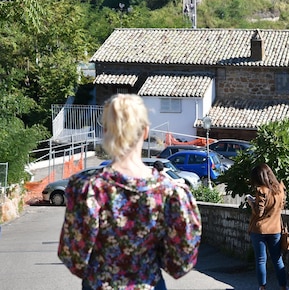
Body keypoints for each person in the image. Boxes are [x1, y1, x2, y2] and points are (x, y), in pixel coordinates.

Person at [58, 94, 201, 290]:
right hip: (150, 284)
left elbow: (73, 255)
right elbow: (182, 259)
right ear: (145, 131)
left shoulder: (89, 188)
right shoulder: (170, 192)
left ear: (106, 131)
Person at [247, 163, 288, 290]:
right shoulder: (280, 189)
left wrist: (251, 202)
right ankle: (284, 287)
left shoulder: (261, 190)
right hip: (275, 229)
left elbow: (259, 212)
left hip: (259, 230)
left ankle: (262, 287)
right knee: (277, 259)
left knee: (260, 260)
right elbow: (280, 206)